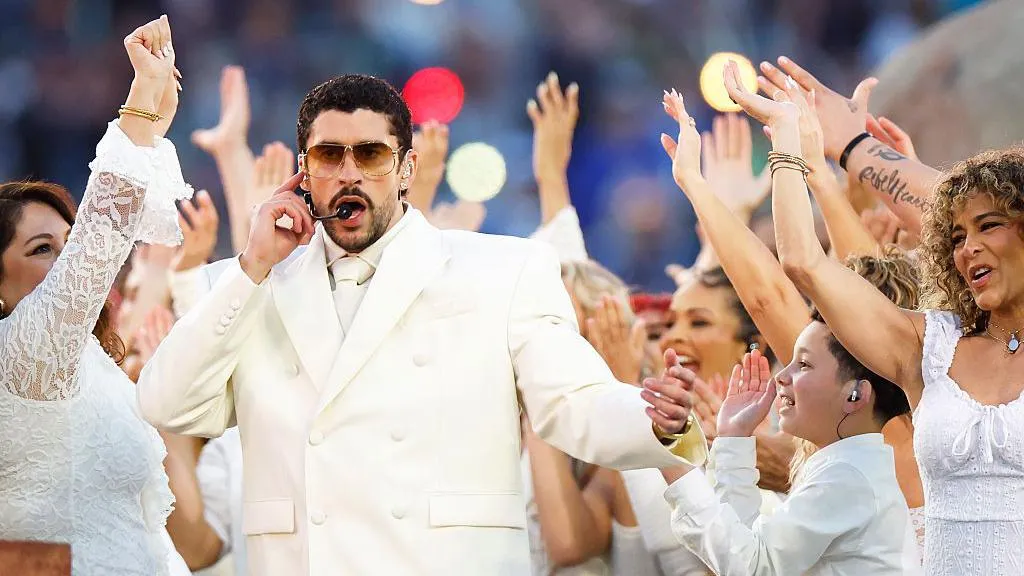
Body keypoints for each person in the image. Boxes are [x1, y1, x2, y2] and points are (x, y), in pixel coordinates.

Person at [136, 74, 706, 576]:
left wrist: (654, 419)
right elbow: (166, 405)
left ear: (407, 168)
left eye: (371, 155)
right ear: (303, 172)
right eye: (329, 156)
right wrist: (254, 264)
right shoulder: (246, 284)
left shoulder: (504, 270)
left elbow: (573, 401)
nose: (350, 174)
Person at [726, 55, 1024, 574]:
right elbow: (803, 262)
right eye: (956, 237)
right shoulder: (928, 346)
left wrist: (857, 146)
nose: (968, 248)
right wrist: (788, 143)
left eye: (989, 226)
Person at [0, 15, 191, 575]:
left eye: (68, 243)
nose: (67, 263)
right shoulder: (20, 355)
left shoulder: (91, 363)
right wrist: (140, 101)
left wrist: (151, 131)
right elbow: (100, 239)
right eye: (42, 249)